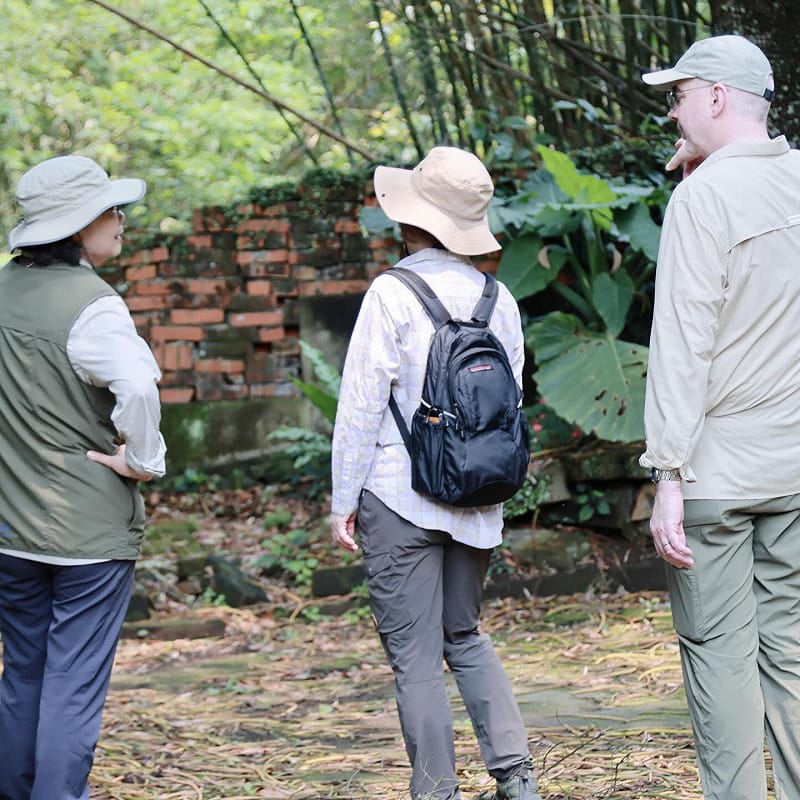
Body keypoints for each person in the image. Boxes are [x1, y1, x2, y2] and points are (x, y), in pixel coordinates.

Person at [330, 146, 540, 800]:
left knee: (416, 658)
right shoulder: (496, 297)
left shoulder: (391, 292)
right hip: (478, 495)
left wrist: (344, 498)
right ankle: (517, 776)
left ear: (410, 219)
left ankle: (437, 792)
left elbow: (360, 404)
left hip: (400, 495)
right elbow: (510, 401)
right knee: (465, 635)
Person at [640, 35, 800, 800]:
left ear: (712, 97)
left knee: (718, 656)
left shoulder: (700, 200)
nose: (672, 112)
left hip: (716, 471)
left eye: (677, 96)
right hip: (793, 463)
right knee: (795, 653)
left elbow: (682, 344)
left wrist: (667, 473)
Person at [0, 155, 167, 800]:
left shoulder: (5, 289)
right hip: (87, 536)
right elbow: (139, 388)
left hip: (11, 527)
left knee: (24, 676)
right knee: (72, 684)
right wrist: (141, 461)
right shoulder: (93, 306)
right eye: (110, 209)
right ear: (76, 226)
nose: (121, 219)